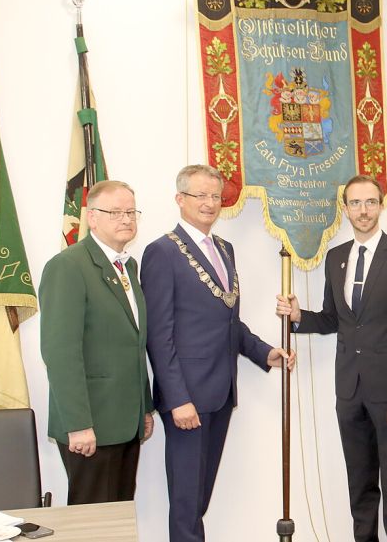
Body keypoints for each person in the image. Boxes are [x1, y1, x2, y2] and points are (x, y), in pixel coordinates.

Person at [141, 164, 294, 542]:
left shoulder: (224, 249)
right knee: (186, 502)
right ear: (180, 199)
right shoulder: (161, 252)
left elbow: (229, 322)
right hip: (188, 399)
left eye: (215, 196)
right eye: (200, 195)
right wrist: (178, 399)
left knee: (199, 499)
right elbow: (159, 336)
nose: (209, 204)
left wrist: (264, 353)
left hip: (222, 392)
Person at [276, 175, 387, 542]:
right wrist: (298, 316)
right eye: (355, 203)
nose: (363, 210)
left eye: (370, 202)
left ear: (381, 205)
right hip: (349, 392)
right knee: (359, 487)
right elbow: (333, 319)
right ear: (345, 209)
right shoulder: (336, 257)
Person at [39, 180, 154, 504]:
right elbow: (60, 352)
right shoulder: (68, 266)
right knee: (92, 524)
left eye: (131, 212)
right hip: (91, 425)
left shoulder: (128, 266)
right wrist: (78, 424)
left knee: (117, 520)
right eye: (115, 212)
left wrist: (144, 408)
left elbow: (134, 344)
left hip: (125, 421)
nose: (126, 219)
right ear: (91, 217)